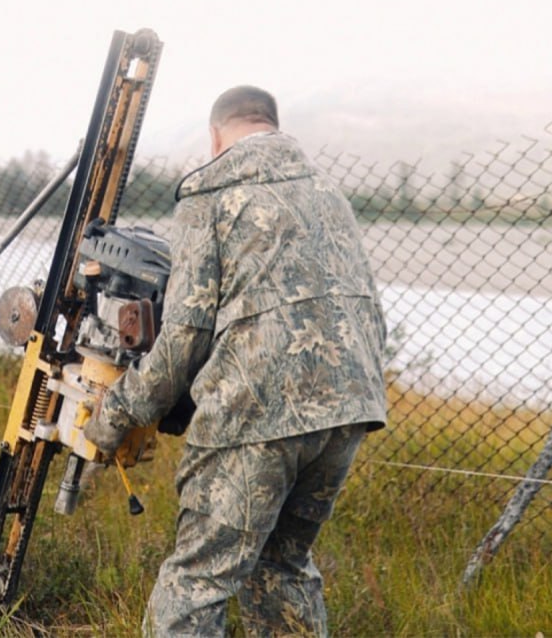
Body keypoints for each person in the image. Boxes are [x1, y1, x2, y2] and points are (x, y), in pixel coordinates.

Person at [84, 85, 389, 637]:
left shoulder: (212, 192)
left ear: (215, 136)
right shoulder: (329, 193)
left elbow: (184, 337)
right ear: (273, 124)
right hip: (350, 408)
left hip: (257, 409)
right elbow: (369, 308)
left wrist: (115, 414)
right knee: (282, 567)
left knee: (197, 580)